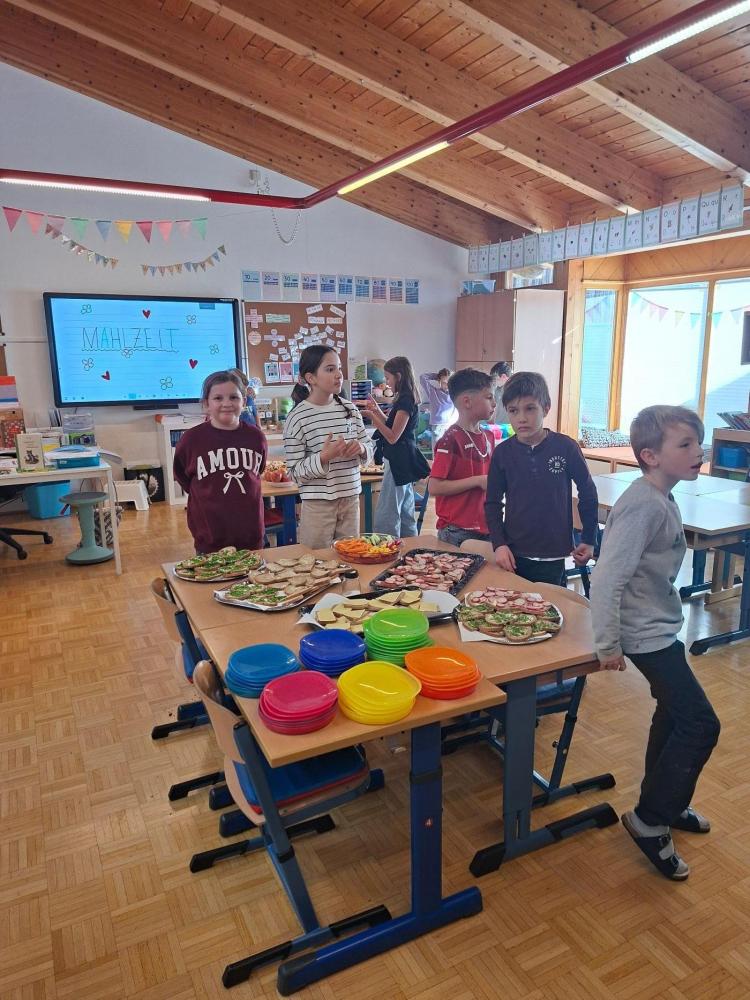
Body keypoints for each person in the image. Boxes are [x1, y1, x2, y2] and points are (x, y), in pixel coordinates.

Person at [590, 405, 720, 881]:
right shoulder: (644, 503)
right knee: (701, 724)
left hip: (658, 627)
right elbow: (607, 577)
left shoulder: (661, 495)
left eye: (697, 442)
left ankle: (667, 801)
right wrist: (607, 644)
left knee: (674, 714)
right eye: (685, 444)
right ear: (650, 456)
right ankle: (651, 818)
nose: (698, 451)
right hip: (643, 635)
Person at [484, 371, 598, 587]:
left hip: (553, 553)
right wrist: (499, 544)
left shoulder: (566, 447)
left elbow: (588, 492)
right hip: (513, 553)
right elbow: (492, 503)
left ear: (546, 408)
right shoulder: (502, 453)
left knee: (551, 605)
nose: (521, 418)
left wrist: (589, 538)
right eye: (513, 410)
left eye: (530, 408)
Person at [283, 345, 372, 548]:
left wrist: (361, 448)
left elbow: (369, 448)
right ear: (311, 378)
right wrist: (323, 457)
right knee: (317, 560)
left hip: (350, 500)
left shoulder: (350, 409)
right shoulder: (298, 417)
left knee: (349, 557)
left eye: (339, 368)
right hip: (317, 505)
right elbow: (294, 473)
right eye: (330, 369)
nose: (339, 374)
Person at [173, 370, 267, 553]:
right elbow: (183, 477)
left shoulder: (256, 437)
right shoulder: (191, 440)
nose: (227, 403)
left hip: (250, 535)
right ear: (206, 403)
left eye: (234, 397)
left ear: (244, 401)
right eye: (218, 398)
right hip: (210, 537)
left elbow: (258, 471)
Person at [364, 356, 430, 538]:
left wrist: (372, 417)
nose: (387, 383)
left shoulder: (405, 401)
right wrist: (377, 411)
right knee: (405, 510)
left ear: (398, 376)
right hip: (403, 458)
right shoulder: (405, 398)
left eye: (388, 378)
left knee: (388, 511)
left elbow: (392, 437)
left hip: (398, 460)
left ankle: (387, 547)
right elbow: (393, 426)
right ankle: (410, 545)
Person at [429, 369, 496, 548]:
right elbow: (434, 487)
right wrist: (477, 481)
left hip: (487, 525)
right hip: (457, 530)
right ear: (467, 401)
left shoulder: (489, 437)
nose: (494, 403)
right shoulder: (450, 439)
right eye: (489, 397)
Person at [419, 368, 457, 443]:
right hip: (438, 427)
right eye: (444, 382)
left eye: (449, 382)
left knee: (451, 449)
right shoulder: (433, 392)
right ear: (439, 382)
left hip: (451, 425)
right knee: (437, 449)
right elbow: (422, 377)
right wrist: (437, 376)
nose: (447, 385)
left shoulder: (455, 393)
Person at [489, 360, 513, 426]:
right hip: (497, 426)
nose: (494, 382)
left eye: (495, 379)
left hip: (511, 427)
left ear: (503, 377)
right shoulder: (496, 390)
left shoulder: (516, 390)